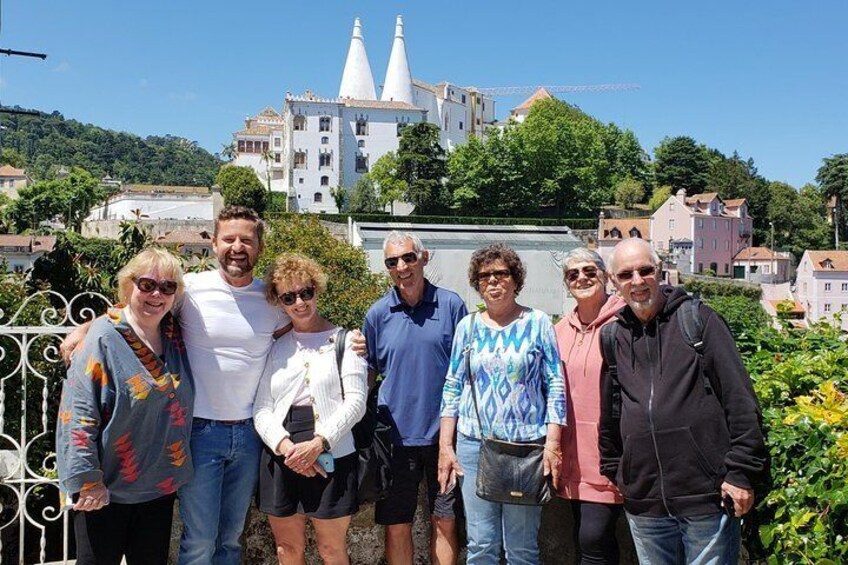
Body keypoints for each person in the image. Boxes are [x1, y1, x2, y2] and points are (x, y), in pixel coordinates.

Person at [61, 206, 367, 565]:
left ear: (259, 247)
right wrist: (87, 328)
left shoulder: (272, 301)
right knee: (200, 541)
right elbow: (138, 307)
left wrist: (351, 338)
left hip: (251, 436)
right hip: (198, 433)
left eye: (246, 240)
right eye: (229, 239)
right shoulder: (190, 290)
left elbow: (306, 328)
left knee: (231, 540)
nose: (237, 247)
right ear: (214, 243)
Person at [598, 238, 768, 564]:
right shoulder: (613, 337)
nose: (637, 281)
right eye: (626, 274)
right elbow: (611, 414)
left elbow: (740, 400)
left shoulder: (699, 321)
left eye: (645, 270)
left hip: (707, 497)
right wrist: (619, 473)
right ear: (613, 281)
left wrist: (740, 474)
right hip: (645, 502)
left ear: (659, 270)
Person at [57, 248, 193, 565]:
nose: (157, 294)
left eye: (167, 287)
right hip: (105, 491)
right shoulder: (103, 339)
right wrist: (88, 482)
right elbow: (79, 416)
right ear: (128, 285)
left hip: (157, 487)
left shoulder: (173, 333)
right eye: (146, 285)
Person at [438, 243, 567, 565]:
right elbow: (452, 386)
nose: (493, 281)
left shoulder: (538, 323)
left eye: (501, 273)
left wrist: (553, 444)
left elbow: (555, 385)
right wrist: (446, 447)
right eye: (484, 276)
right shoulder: (467, 327)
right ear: (476, 283)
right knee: (481, 543)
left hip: (525, 447)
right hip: (474, 444)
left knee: (522, 548)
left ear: (515, 278)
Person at [253, 253, 367, 565]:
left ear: (317, 290)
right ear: (279, 301)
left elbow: (356, 401)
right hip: (282, 454)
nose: (300, 303)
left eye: (306, 293)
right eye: (289, 297)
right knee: (287, 550)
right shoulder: (276, 346)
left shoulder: (345, 340)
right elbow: (262, 407)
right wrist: (288, 448)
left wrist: (318, 443)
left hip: (332, 452)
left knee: (332, 550)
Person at [362, 231, 467, 565]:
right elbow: (366, 374)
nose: (402, 266)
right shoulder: (377, 315)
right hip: (394, 438)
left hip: (445, 438)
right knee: (397, 525)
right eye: (392, 262)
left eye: (408, 257)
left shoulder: (452, 306)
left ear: (424, 257)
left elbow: (466, 370)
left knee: (446, 521)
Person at [554, 248, 625, 565]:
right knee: (584, 539)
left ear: (605, 275)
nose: (581, 277)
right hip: (570, 460)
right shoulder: (558, 331)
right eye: (572, 274)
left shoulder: (625, 322)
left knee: (593, 539)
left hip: (609, 459)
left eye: (589, 270)